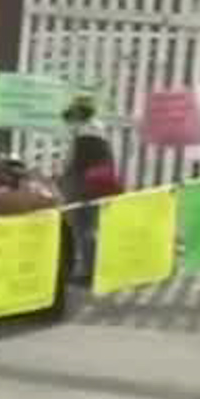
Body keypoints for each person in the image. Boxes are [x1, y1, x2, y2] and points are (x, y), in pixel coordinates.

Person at [60, 98, 122, 285]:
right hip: (96, 184)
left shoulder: (85, 135)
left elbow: (75, 165)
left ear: (79, 115)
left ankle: (90, 272)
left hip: (84, 186)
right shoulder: (98, 131)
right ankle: (92, 268)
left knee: (83, 228)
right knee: (90, 227)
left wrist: (63, 179)